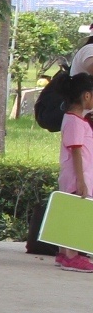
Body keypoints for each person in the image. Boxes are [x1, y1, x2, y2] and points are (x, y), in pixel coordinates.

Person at [56, 74, 93, 273]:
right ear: (86, 96)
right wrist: (81, 180)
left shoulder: (77, 120)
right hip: (77, 177)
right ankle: (71, 256)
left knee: (71, 214)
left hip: (79, 176)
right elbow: (76, 150)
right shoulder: (74, 122)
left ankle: (64, 253)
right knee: (75, 216)